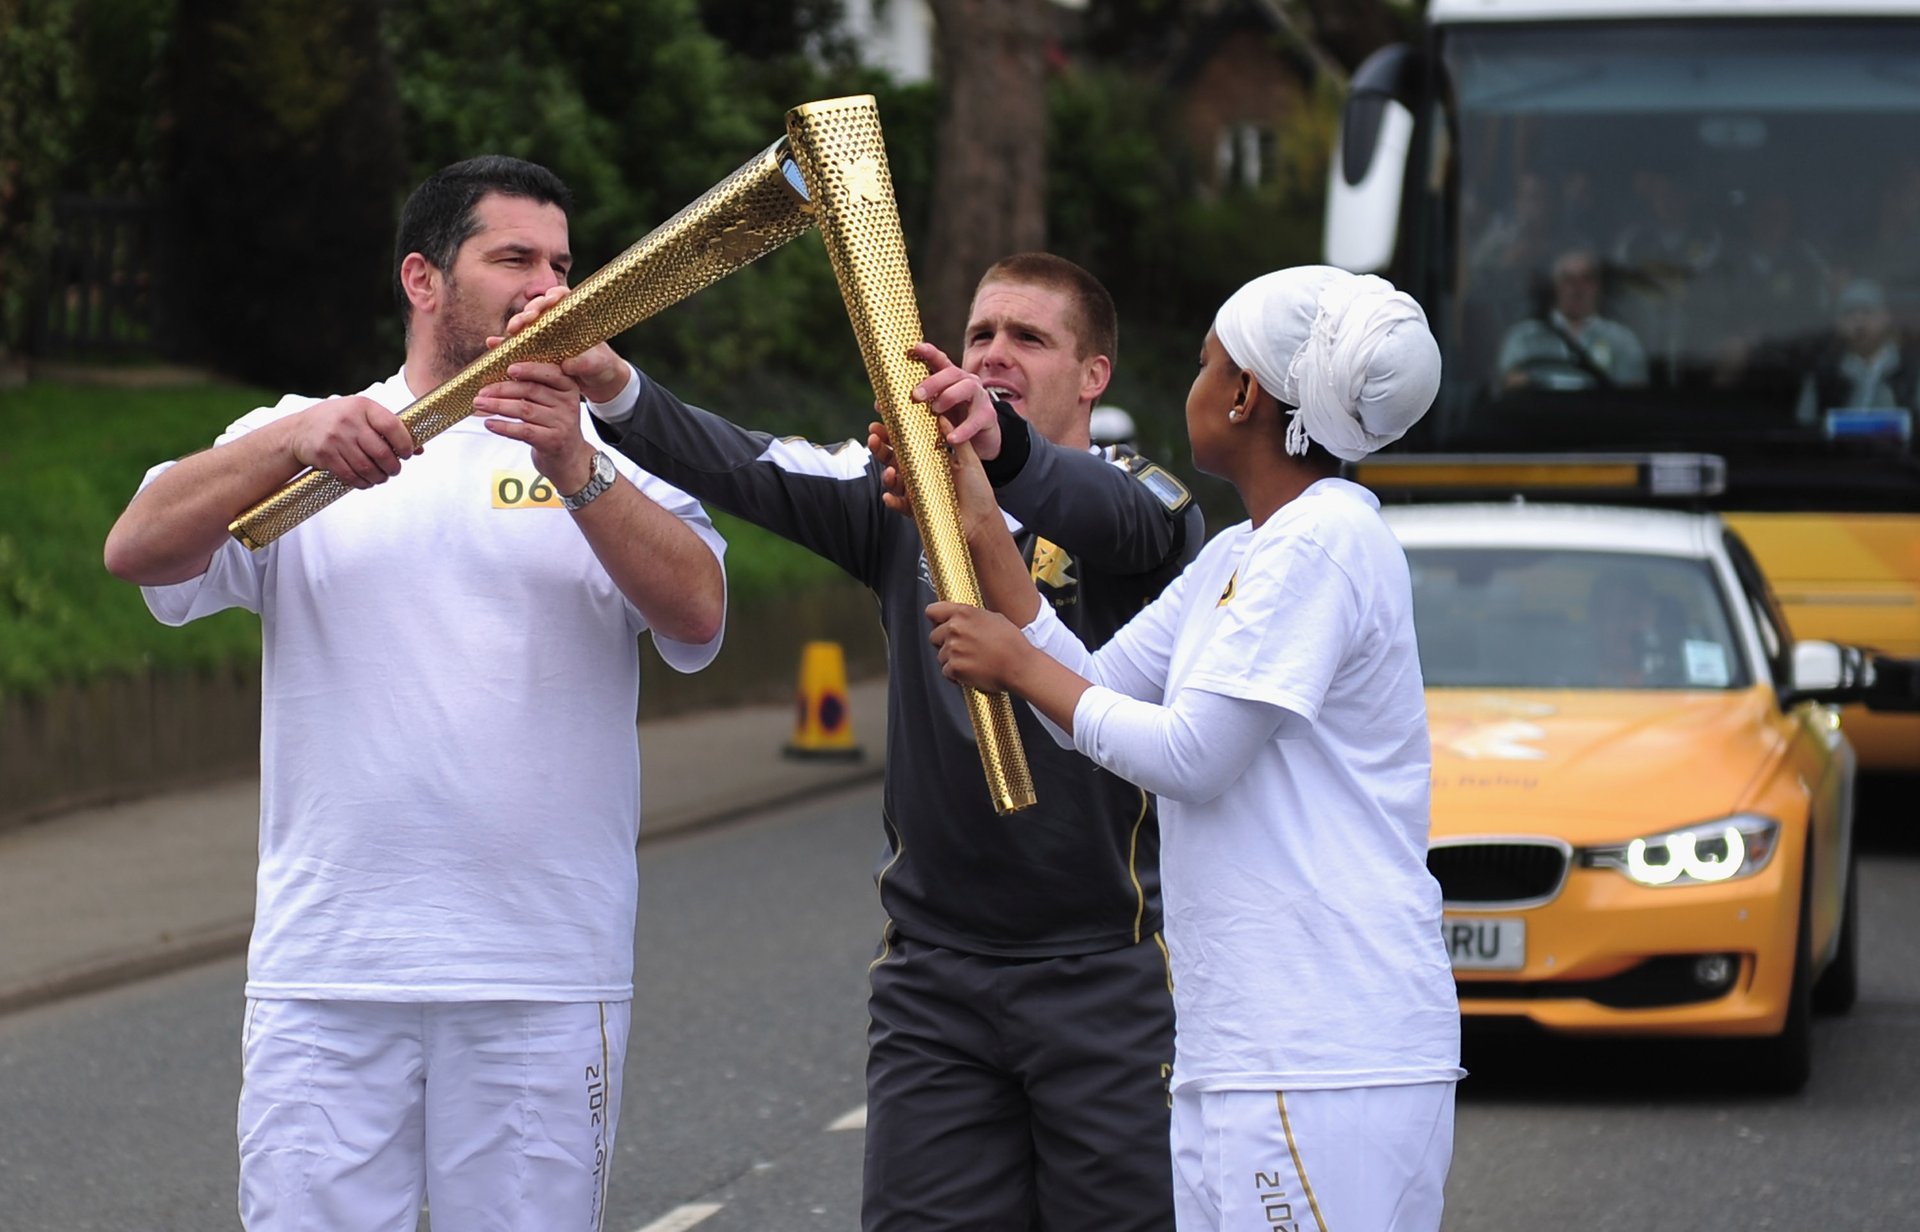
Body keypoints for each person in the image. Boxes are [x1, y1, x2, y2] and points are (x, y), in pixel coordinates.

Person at [501, 251, 1203, 1230]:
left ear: (1094, 375)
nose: (996, 353)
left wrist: (995, 453)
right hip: (936, 982)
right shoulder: (895, 496)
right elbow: (743, 462)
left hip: (1103, 973)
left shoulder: (1144, 502)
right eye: (982, 335)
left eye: (1029, 338)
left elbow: (1115, 516)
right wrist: (613, 384)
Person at [102, 156, 728, 1230]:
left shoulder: (608, 447)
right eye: (514, 258)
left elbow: (699, 610)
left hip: (539, 971)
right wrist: (288, 441)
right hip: (331, 970)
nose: (547, 287)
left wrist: (578, 467)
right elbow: (138, 547)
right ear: (423, 279)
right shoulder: (316, 439)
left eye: (563, 265)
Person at [916, 266, 1464, 1231]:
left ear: (1247, 394)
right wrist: (975, 514)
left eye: (1208, 364)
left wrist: (1014, 661)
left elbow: (1190, 755)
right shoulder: (1240, 554)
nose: (1195, 383)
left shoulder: (1324, 541)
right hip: (1242, 1049)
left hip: (1324, 1049)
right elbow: (1089, 684)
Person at [1496, 246, 1650, 392]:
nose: (1577, 288)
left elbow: (1632, 400)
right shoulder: (1523, 338)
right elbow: (1509, 392)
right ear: (1555, 286)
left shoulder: (1623, 341)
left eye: (1586, 278)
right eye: (1568, 279)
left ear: (1598, 287)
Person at [1795, 278, 1920, 428]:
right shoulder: (1824, 374)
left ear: (1885, 317)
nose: (1859, 321)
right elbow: (1805, 430)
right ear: (1838, 322)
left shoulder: (1912, 370)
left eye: (1867, 312)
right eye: (1849, 313)